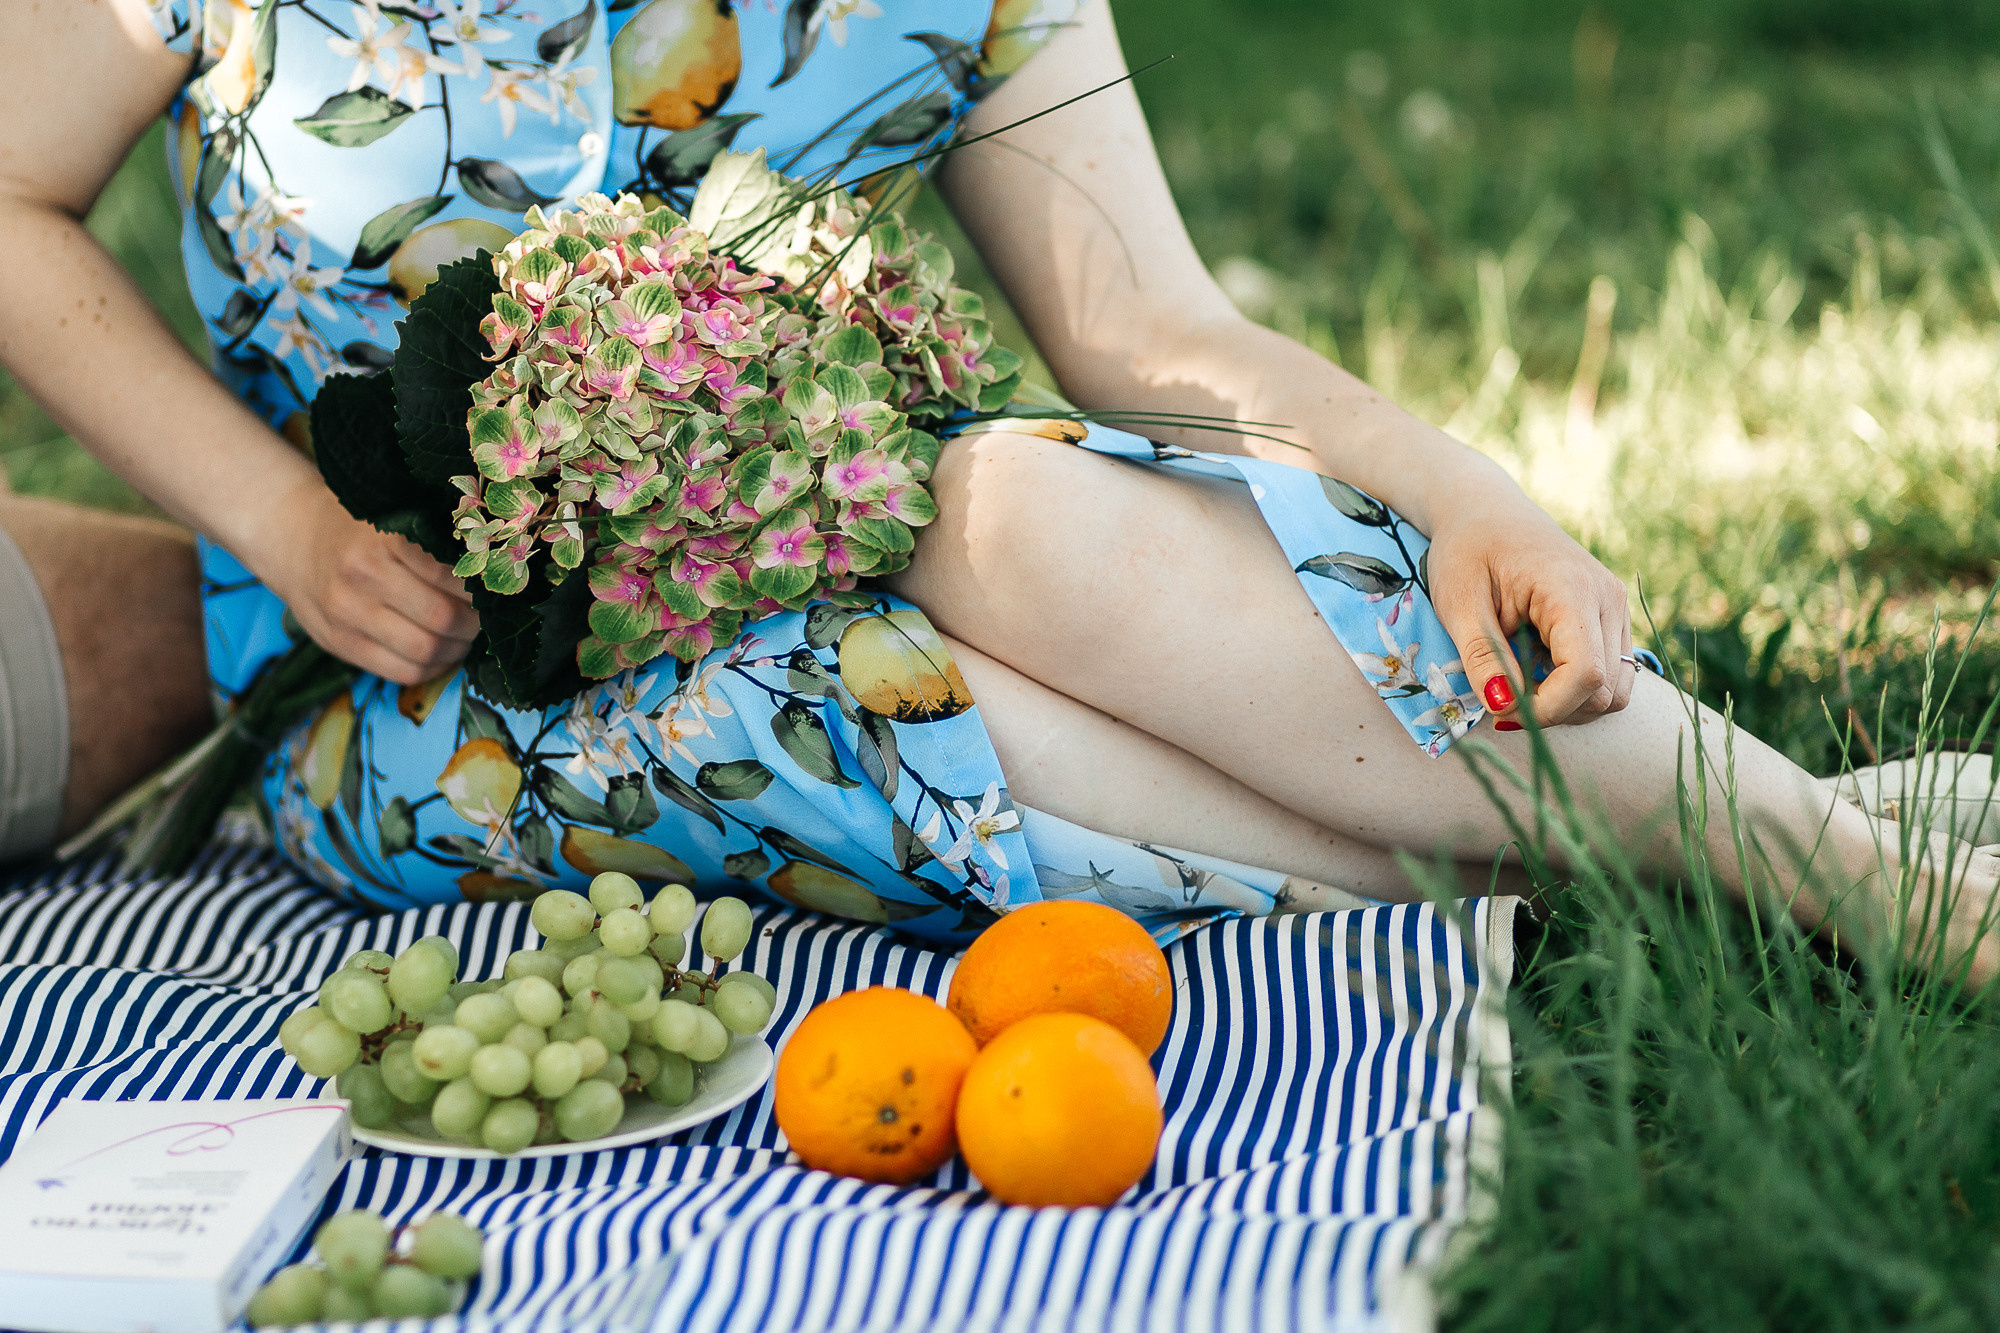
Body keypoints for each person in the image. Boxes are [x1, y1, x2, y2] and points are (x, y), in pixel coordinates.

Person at [0, 0, 1990, 971]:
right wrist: (288, 527)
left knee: (1009, 503)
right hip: (426, 680)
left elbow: (1142, 332)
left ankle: (1786, 856)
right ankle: (1744, 836)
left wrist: (1467, 492)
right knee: (865, 695)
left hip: (835, 513)